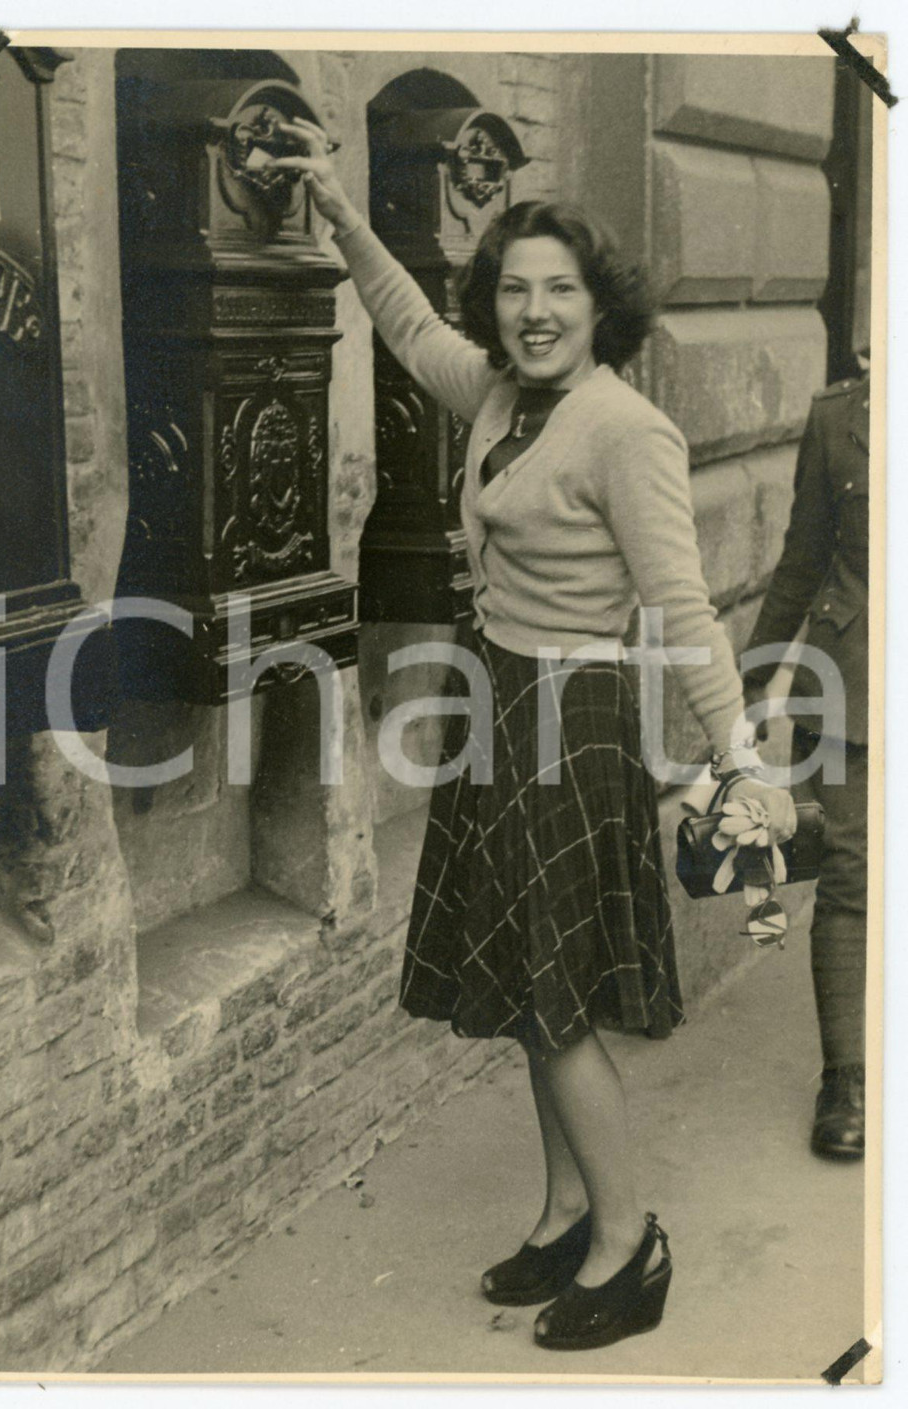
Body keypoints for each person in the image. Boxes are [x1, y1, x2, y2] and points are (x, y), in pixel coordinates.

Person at [271, 119, 796, 1352]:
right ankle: (566, 1210)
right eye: (514, 289)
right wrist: (340, 211)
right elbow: (406, 327)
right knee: (522, 984)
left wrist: (741, 764)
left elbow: (682, 611)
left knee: (554, 997)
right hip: (505, 703)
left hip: (575, 718)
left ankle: (630, 1240)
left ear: (597, 305)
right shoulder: (502, 395)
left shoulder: (625, 430)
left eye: (559, 289)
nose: (533, 311)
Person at [743, 365, 870, 1160]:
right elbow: (802, 557)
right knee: (850, 872)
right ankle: (847, 1078)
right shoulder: (837, 419)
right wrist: (751, 677)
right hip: (851, 671)